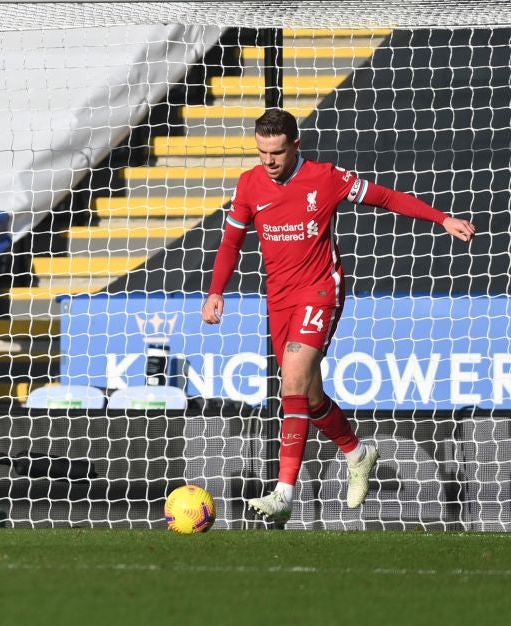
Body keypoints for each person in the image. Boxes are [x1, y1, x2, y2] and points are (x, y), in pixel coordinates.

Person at [202, 108, 475, 524]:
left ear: (295, 145)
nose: (269, 162)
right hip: (279, 300)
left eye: (276, 152)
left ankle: (283, 493)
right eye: (261, 152)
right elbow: (231, 242)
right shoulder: (249, 184)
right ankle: (357, 452)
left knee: (291, 376)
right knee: (307, 396)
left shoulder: (326, 178)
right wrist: (216, 291)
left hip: (320, 291)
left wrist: (441, 219)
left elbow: (384, 197)